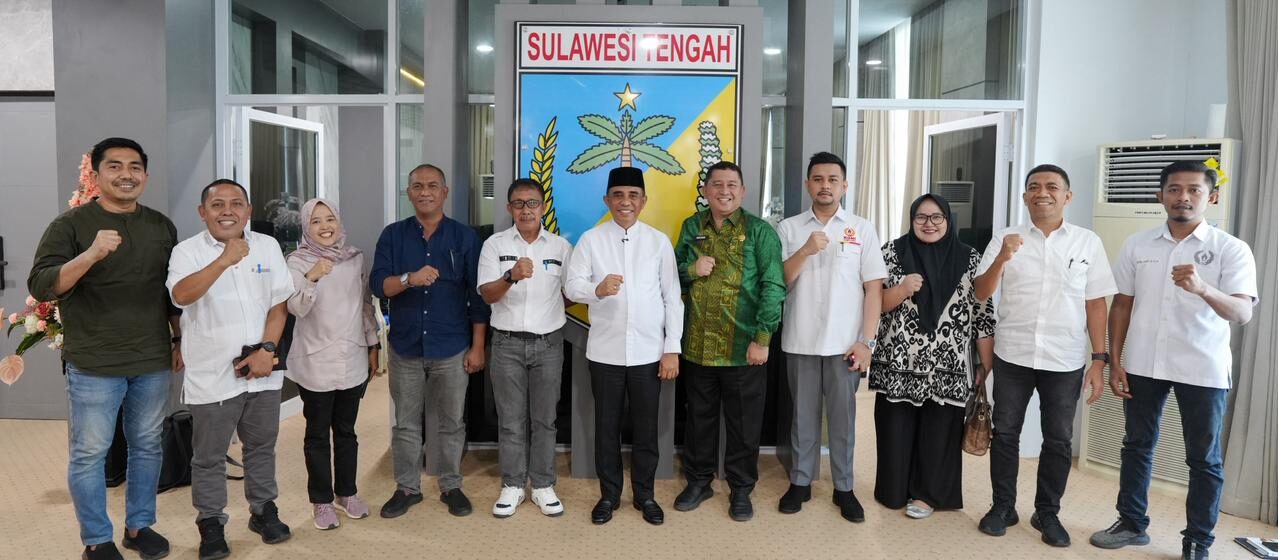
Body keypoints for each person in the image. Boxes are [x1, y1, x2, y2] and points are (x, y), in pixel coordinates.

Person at [1088, 161, 1257, 560]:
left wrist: (1202, 289)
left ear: (1211, 197)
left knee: (1203, 459)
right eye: (1175, 189)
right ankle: (1132, 523)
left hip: (1202, 368)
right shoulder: (1138, 244)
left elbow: (1241, 313)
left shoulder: (1231, 248)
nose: (1184, 197)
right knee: (1136, 446)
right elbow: (1121, 305)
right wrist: (1116, 360)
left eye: (1195, 189)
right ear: (1160, 195)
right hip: (1143, 362)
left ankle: (1198, 539)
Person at [28, 138, 180, 560]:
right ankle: (96, 538)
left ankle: (139, 526)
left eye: (134, 167)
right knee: (90, 453)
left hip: (151, 358)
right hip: (94, 361)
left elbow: (170, 291)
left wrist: (178, 338)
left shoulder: (161, 226)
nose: (126, 174)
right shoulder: (70, 225)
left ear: (145, 175)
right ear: (96, 175)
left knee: (147, 446)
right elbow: (42, 285)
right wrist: (91, 255)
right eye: (114, 166)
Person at [973, 164, 1115, 547]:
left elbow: (1095, 304)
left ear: (1067, 196)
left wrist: (1099, 359)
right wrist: (1002, 258)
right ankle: (1003, 507)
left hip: (1064, 359)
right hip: (1013, 355)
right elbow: (981, 293)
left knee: (1058, 440)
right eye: (1034, 187)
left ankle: (1047, 512)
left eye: (1052, 186)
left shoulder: (1087, 242)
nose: (1042, 193)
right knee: (1006, 434)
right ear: (1025, 197)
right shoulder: (1005, 237)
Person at [167, 179, 295, 559]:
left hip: (262, 369)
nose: (227, 211)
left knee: (261, 447)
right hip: (212, 373)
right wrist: (224, 259)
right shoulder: (186, 252)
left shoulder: (267, 246)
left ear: (248, 210)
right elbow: (181, 295)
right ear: (202, 212)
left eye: (236, 203)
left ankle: (263, 510)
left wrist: (267, 350)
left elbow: (278, 305)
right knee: (209, 456)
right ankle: (211, 523)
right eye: (217, 204)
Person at [564, 167, 683, 526]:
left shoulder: (658, 242)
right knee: (606, 428)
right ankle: (609, 495)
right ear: (607, 200)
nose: (625, 202)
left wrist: (671, 348)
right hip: (605, 352)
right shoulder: (591, 240)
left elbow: (672, 297)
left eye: (633, 195)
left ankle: (645, 495)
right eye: (618, 195)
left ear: (643, 201)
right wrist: (596, 290)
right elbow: (572, 286)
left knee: (647, 429)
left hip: (649, 353)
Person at [370, 164, 490, 519]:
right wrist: (409, 278)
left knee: (452, 422)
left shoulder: (464, 237)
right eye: (418, 186)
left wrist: (478, 346)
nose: (425, 192)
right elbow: (378, 286)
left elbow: (478, 296)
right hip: (405, 346)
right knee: (406, 424)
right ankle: (407, 488)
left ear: (444, 192)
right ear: (409, 192)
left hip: (452, 346)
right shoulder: (392, 235)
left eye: (432, 186)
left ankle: (451, 486)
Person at [868, 193, 996, 520]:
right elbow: (874, 304)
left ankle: (928, 495)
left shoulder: (969, 258)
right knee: (895, 429)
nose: (929, 224)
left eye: (937, 217)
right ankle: (894, 490)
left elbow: (983, 313)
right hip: (898, 362)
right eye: (921, 217)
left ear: (948, 220)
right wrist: (902, 289)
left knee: (939, 434)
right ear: (911, 220)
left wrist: (985, 364)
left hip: (947, 365)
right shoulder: (891, 252)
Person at [775, 152, 886, 523]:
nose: (825, 186)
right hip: (800, 339)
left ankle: (844, 487)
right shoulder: (789, 228)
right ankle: (801, 481)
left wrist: (866, 341)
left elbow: (873, 289)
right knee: (802, 418)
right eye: (818, 179)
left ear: (844, 185)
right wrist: (806, 250)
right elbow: (779, 281)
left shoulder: (861, 228)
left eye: (833, 179)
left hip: (845, 345)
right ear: (807, 184)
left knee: (843, 420)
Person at [673, 161, 785, 522]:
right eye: (717, 184)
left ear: (743, 191)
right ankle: (699, 482)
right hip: (698, 347)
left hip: (743, 348)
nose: (724, 191)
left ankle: (741, 488)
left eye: (732, 185)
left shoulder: (760, 232)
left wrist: (763, 338)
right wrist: (691, 270)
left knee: (744, 425)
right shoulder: (691, 227)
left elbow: (773, 286)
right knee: (698, 421)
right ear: (705, 190)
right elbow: (669, 276)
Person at [477, 179, 573, 518]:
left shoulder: (561, 247)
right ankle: (514, 484)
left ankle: (543, 485)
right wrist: (510, 276)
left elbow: (571, 293)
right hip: (506, 344)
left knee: (545, 419)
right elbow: (487, 294)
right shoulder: (494, 244)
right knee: (510, 420)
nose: (526, 210)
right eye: (518, 204)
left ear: (543, 207)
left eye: (532, 203)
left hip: (549, 344)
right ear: (509, 208)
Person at [284, 198, 381, 530]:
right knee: (316, 434)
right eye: (316, 221)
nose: (325, 226)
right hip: (315, 359)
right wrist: (312, 277)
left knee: (346, 432)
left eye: (330, 219)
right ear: (306, 227)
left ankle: (347, 493)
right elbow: (296, 308)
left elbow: (364, 304)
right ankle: (321, 500)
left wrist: (372, 343)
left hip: (352, 355)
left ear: (339, 223)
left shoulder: (354, 258)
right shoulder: (297, 261)